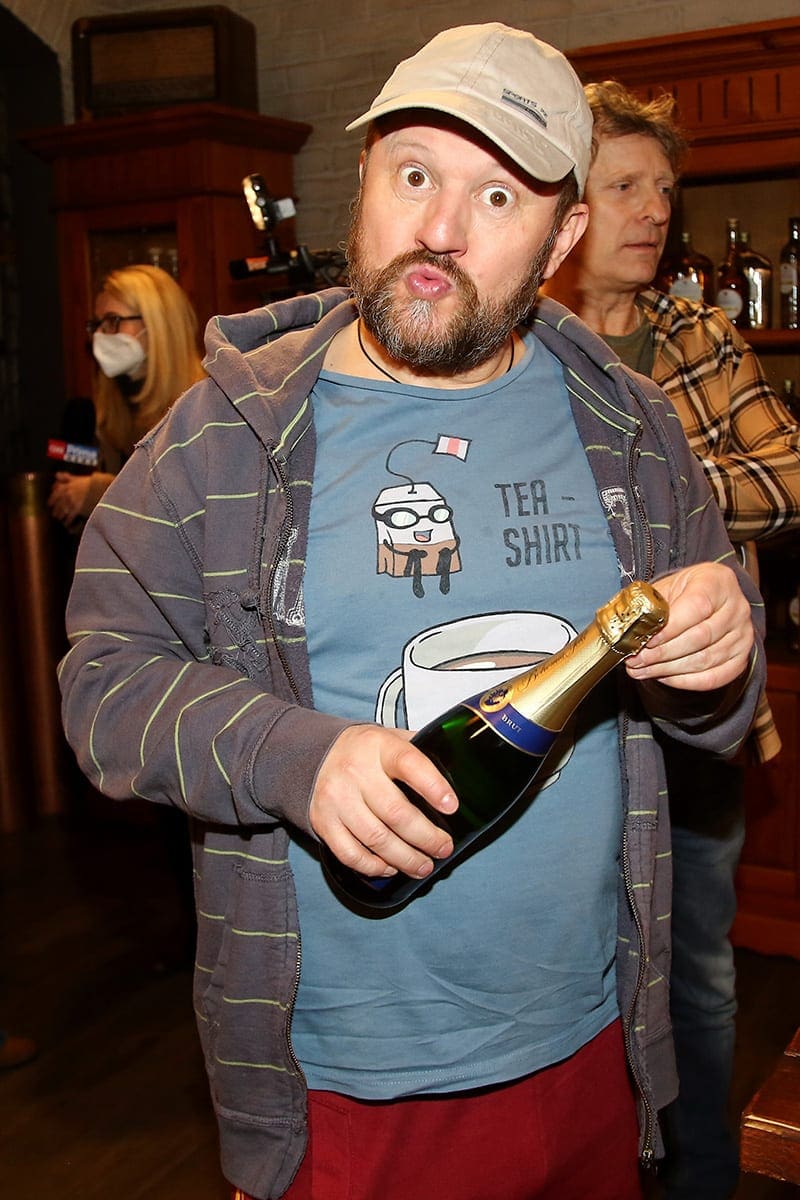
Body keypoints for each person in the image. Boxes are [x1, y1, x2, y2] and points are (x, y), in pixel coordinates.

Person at [58, 25, 765, 1200]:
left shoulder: (633, 429)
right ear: (364, 181)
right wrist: (292, 757)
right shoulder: (224, 434)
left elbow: (715, 720)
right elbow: (103, 683)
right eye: (414, 174)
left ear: (562, 238)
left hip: (594, 1045)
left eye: (496, 195)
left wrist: (720, 649)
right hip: (340, 1088)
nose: (438, 228)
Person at [543, 79, 800, 1200]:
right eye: (624, 187)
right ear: (565, 207)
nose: (653, 211)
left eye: (663, 189)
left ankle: (701, 1182)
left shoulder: (697, 333)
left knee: (696, 974)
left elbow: (788, 476)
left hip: (694, 716)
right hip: (561, 727)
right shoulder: (520, 344)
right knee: (568, 977)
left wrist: (646, 499)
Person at [47, 263, 205, 530]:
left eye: (112, 321)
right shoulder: (108, 410)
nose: (99, 336)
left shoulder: (203, 407)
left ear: (157, 324)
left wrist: (100, 492)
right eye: (96, 325)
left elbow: (192, 508)